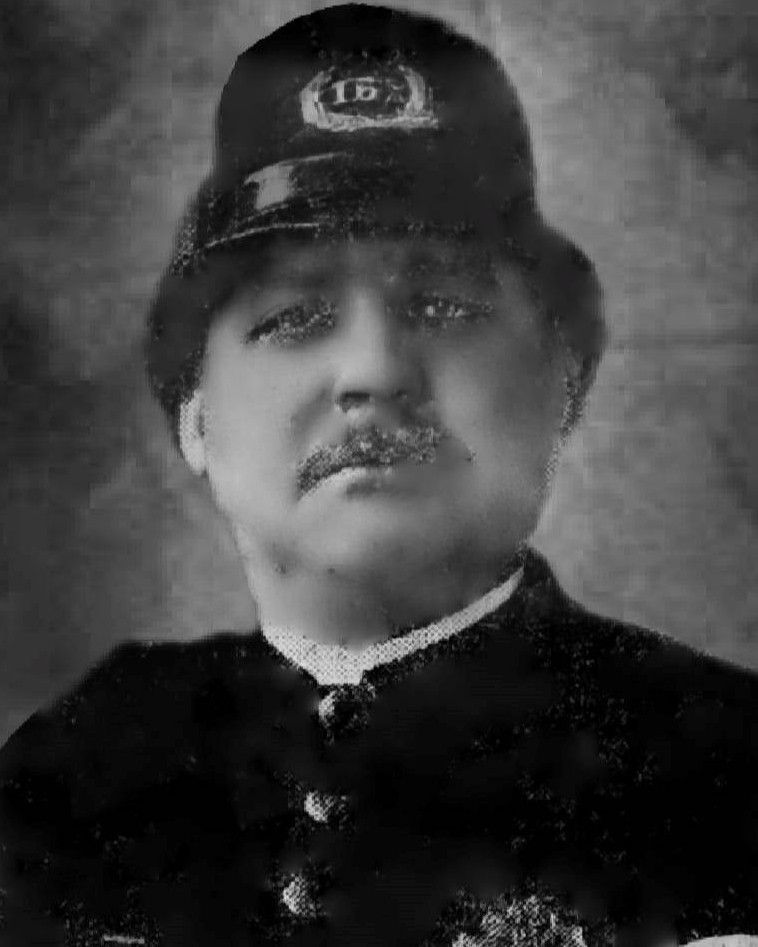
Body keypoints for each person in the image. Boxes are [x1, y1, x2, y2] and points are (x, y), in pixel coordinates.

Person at [1, 5, 757, 946]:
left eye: (442, 305)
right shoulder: (77, 770)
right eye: (293, 319)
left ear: (560, 386)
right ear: (196, 418)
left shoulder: (727, 768)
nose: (373, 371)